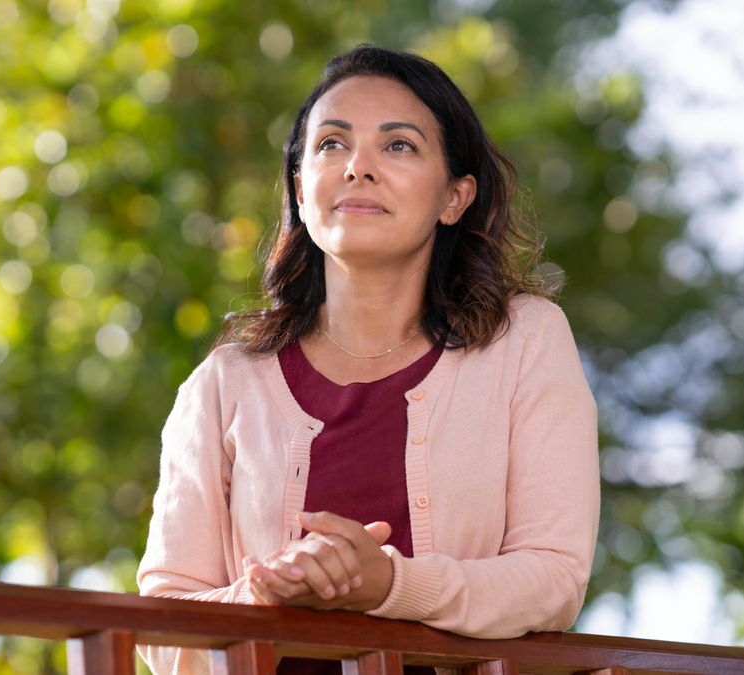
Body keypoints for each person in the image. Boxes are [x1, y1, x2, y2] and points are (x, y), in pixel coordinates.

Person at [137, 44, 599, 674]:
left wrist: (386, 585)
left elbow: (553, 581)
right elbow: (162, 627)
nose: (358, 167)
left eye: (399, 145)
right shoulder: (224, 383)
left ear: (455, 197)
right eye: (331, 144)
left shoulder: (525, 340)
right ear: (301, 190)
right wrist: (262, 594)